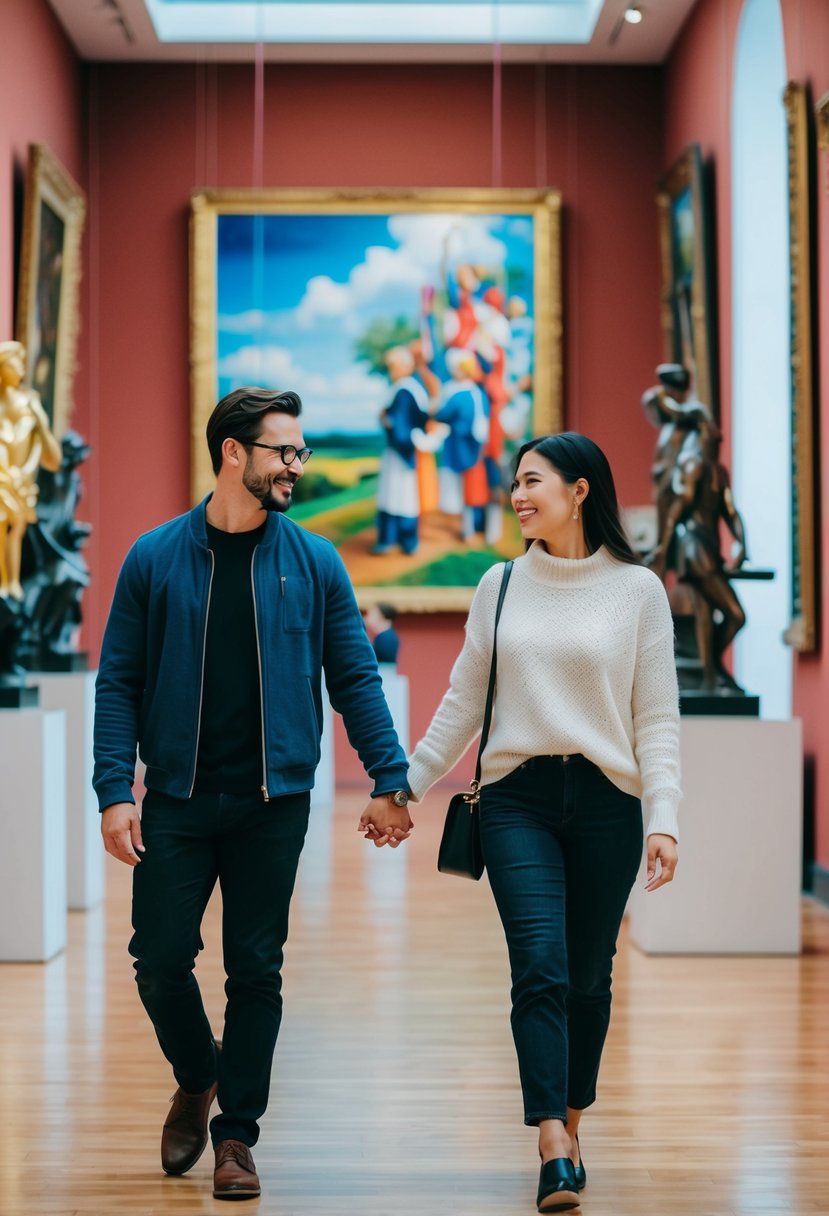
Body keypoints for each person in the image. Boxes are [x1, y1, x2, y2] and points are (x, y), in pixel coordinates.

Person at [94, 386, 413, 1201]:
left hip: (275, 803)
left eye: (301, 452)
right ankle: (197, 1075)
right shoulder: (153, 557)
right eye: (284, 452)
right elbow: (118, 682)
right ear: (233, 453)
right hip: (178, 797)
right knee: (160, 960)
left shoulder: (313, 560)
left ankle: (236, 1137)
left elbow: (353, 675)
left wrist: (390, 777)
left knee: (255, 970)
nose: (296, 467)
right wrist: (113, 789)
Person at [364, 432, 681, 1213]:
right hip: (516, 800)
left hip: (608, 800)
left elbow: (657, 720)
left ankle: (572, 1123)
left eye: (532, 481)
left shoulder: (638, 591)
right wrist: (400, 787)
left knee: (587, 975)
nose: (516, 494)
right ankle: (549, 1139)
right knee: (537, 960)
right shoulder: (499, 584)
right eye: (513, 483)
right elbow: (462, 703)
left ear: (579, 491)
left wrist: (663, 819)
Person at [0, 340, 62, 600]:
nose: (21, 369)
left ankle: (11, 582)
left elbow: (50, 457)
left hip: (21, 480)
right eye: (16, 362)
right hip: (4, 475)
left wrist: (38, 417)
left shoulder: (30, 402)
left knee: (15, 528)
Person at [364, 601, 400, 666]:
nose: (367, 617)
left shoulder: (386, 638)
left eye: (371, 614)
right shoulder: (385, 636)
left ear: (381, 616)